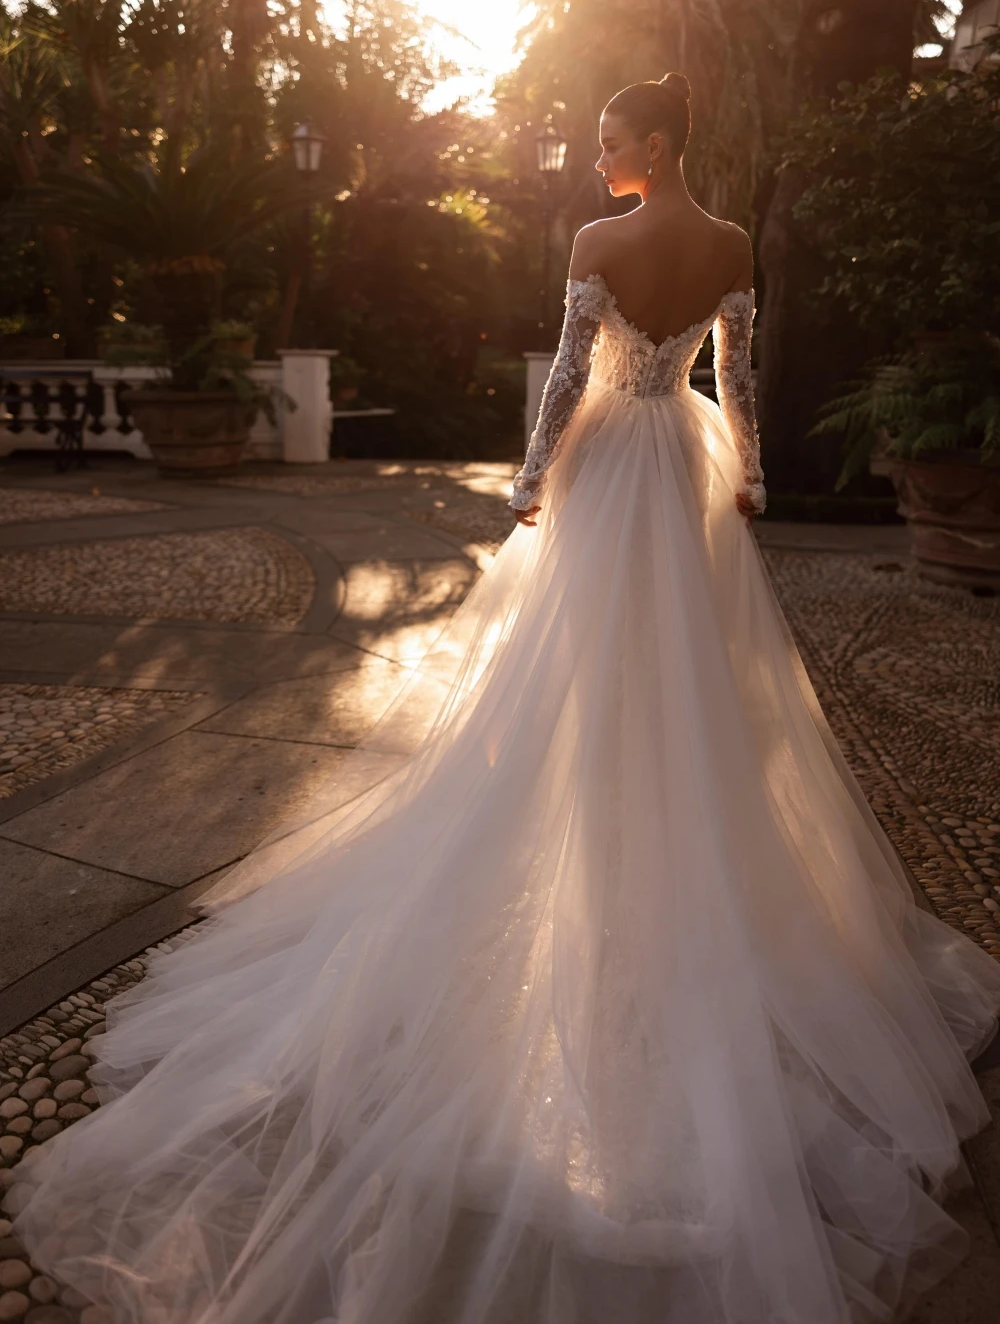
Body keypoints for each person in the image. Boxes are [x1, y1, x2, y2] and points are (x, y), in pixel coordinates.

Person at [7, 72, 1000, 1324]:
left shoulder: (599, 240)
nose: (597, 162)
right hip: (685, 467)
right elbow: (739, 374)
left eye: (609, 141)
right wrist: (745, 473)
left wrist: (533, 479)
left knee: (579, 680)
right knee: (693, 685)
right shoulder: (733, 241)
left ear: (655, 139)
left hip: (607, 470)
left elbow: (568, 375)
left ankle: (597, 851)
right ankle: (674, 856)